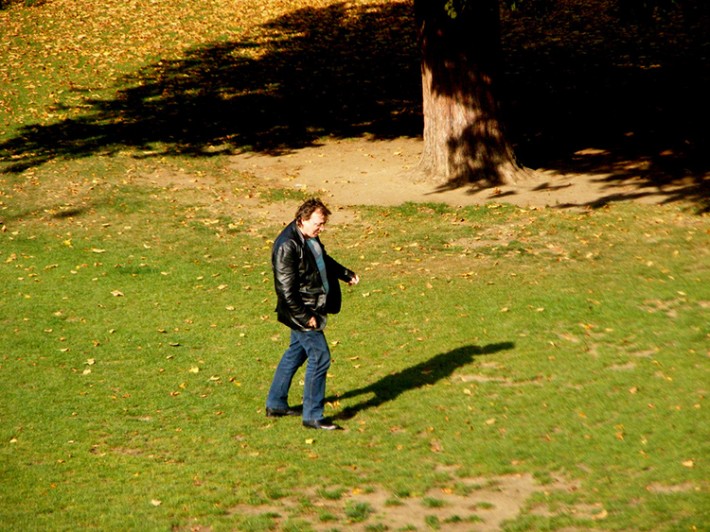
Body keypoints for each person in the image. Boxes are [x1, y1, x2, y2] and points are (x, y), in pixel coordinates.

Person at [266, 198, 359, 430]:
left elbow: (322, 261)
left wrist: (345, 273)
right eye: (318, 224)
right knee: (320, 357)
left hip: (310, 308)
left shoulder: (309, 237)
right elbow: (285, 290)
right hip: (302, 312)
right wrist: (306, 315)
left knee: (296, 353)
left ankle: (276, 403)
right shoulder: (287, 245)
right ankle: (313, 416)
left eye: (323, 224)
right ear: (302, 219)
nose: (322, 228)